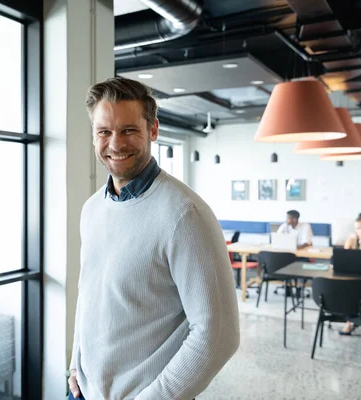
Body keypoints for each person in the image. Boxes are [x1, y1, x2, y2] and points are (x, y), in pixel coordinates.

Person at [67, 77, 239, 400]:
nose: (115, 144)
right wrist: (75, 363)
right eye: (104, 132)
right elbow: (90, 295)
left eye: (129, 130)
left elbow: (219, 335)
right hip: (82, 393)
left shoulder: (185, 215)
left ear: (154, 130)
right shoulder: (91, 210)